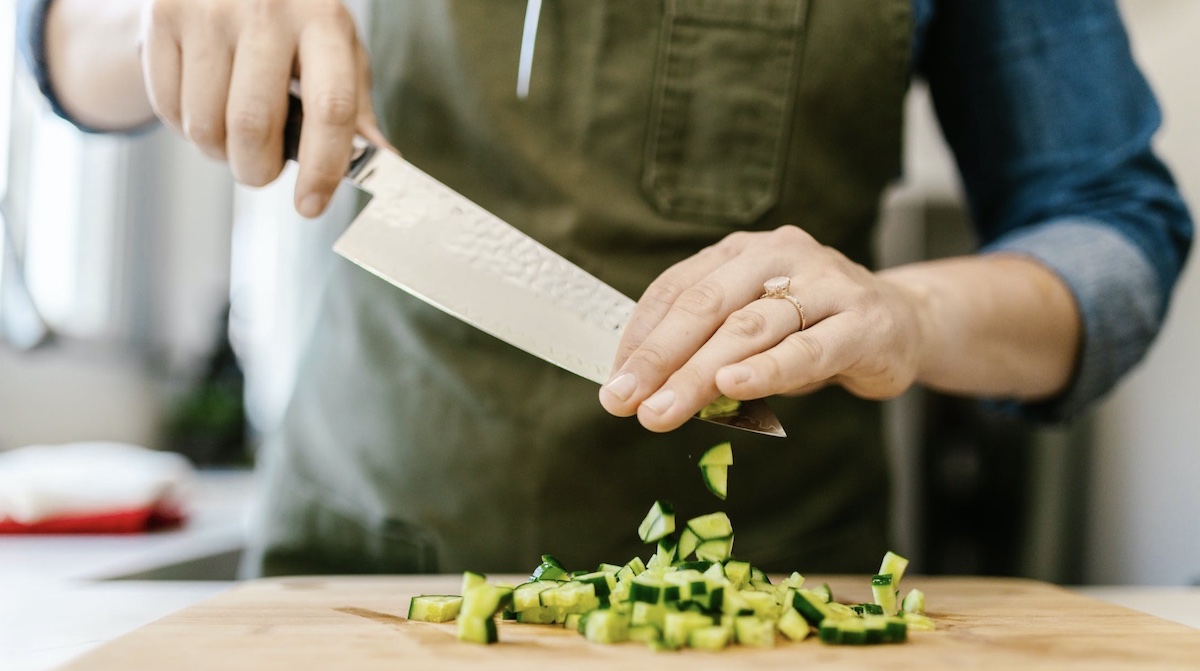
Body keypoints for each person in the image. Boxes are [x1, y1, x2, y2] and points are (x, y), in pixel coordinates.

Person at [18, 0, 1192, 576]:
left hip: (769, 621)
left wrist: (912, 312)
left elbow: (1115, 226)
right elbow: (66, 44)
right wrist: (158, 20)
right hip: (358, 588)